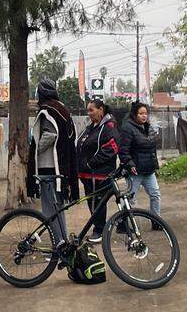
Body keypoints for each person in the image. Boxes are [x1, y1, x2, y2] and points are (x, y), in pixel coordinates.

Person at [26, 79, 78, 246]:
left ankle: (59, 244)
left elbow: (49, 135)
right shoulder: (62, 109)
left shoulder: (47, 110)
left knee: (50, 211)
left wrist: (36, 150)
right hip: (62, 168)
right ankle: (62, 242)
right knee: (58, 208)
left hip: (49, 167)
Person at [76, 96, 122, 243]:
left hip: (100, 174)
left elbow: (112, 147)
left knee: (98, 203)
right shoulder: (92, 126)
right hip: (87, 175)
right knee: (93, 202)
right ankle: (102, 227)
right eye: (87, 110)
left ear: (100, 110)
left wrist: (90, 164)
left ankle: (99, 231)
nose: (88, 113)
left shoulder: (109, 127)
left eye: (91, 110)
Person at [118, 100, 162, 215]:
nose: (144, 116)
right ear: (134, 115)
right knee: (131, 199)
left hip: (149, 170)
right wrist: (129, 164)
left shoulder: (149, 128)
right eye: (141, 113)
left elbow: (153, 150)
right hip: (135, 171)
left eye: (146, 113)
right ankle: (123, 222)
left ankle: (157, 221)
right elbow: (123, 150)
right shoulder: (127, 128)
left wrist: (155, 165)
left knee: (155, 195)